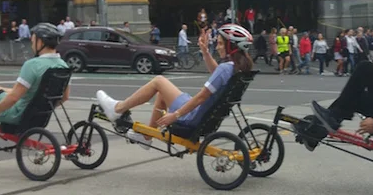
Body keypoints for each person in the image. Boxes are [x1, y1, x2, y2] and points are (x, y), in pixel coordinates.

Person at [95, 25, 254, 131]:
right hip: (205, 115)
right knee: (161, 93)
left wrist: (175, 115)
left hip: (192, 116)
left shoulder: (225, 68)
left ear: (230, 47)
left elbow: (201, 97)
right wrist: (205, 52)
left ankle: (117, 109)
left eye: (220, 43)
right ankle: (147, 135)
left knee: (159, 81)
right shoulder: (235, 68)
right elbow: (217, 75)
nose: (217, 46)